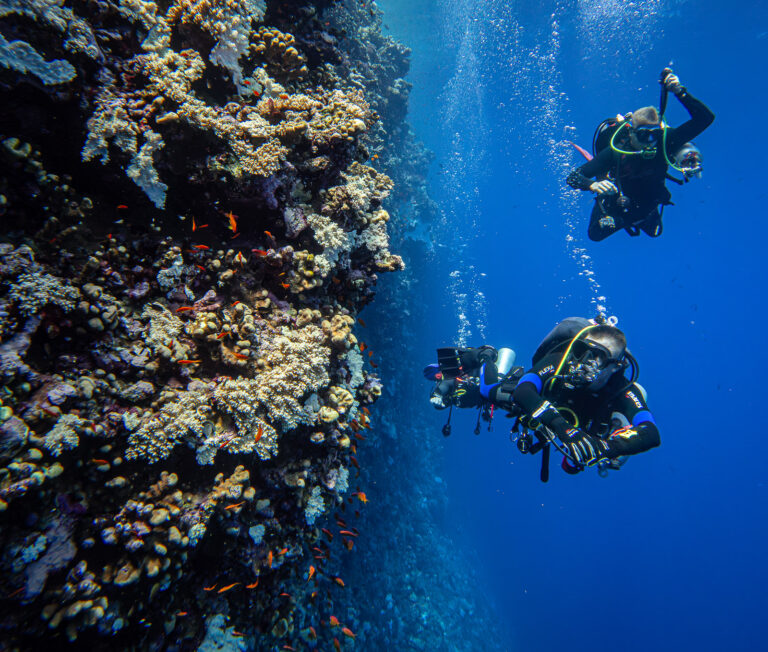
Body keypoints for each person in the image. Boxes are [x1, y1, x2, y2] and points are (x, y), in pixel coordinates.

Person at [425, 317, 660, 477]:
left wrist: (605, 447)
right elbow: (525, 390)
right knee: (488, 391)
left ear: (616, 366)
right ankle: (486, 356)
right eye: (582, 351)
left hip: (579, 422)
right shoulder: (561, 359)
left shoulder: (623, 389)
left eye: (598, 356)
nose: (585, 361)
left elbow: (650, 432)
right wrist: (563, 428)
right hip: (544, 406)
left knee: (575, 465)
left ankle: (616, 428)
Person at [566, 68, 715, 241]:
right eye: (644, 135)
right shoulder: (615, 153)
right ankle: (628, 219)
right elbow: (573, 177)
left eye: (654, 134)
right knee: (596, 233)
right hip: (620, 199)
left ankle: (634, 219)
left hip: (648, 201)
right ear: (631, 133)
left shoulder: (665, 140)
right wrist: (591, 185)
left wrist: (680, 92)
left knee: (654, 232)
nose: (650, 142)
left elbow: (705, 119)